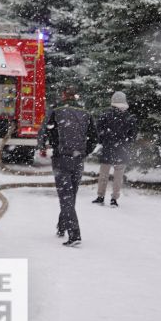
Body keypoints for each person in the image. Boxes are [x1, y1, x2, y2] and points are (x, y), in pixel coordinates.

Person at [38, 88, 97, 247]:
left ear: (63, 96)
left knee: (66, 197)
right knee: (70, 195)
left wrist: (42, 147)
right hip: (78, 159)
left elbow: (43, 130)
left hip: (61, 157)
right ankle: (62, 226)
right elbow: (94, 137)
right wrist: (84, 152)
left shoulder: (56, 110)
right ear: (75, 97)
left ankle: (74, 234)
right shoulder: (85, 112)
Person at [93, 91, 138, 207]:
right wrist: (125, 143)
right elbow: (132, 136)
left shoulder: (105, 115)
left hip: (108, 148)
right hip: (122, 150)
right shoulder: (130, 117)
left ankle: (100, 196)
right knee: (118, 176)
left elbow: (98, 132)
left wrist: (104, 140)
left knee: (103, 174)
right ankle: (114, 199)